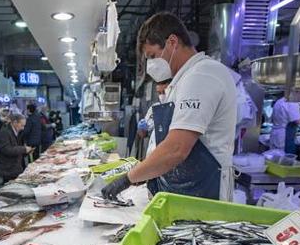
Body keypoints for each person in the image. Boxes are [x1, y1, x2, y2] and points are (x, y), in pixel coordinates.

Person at [102, 12, 237, 202]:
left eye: (152, 55)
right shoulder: (183, 80)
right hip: (186, 188)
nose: (151, 64)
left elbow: (176, 148)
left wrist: (128, 179)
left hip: (205, 191)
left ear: (172, 42)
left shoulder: (202, 75)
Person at [0, 114, 33, 184]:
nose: (23, 128)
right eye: (22, 125)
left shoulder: (16, 131)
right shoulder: (4, 132)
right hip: (8, 168)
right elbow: (7, 150)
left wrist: (26, 151)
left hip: (15, 167)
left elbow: (16, 147)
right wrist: (24, 149)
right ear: (15, 122)